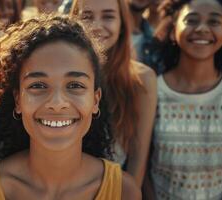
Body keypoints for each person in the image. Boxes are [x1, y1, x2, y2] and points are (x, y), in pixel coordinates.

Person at [0, 14, 141, 200]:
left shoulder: (123, 191)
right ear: (18, 100)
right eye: (38, 85)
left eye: (75, 85)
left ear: (95, 101)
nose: (57, 103)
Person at [144, 0, 222, 199]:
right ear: (173, 31)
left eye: (214, 22)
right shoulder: (152, 91)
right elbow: (140, 167)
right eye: (191, 20)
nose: (202, 28)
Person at [70, 0, 157, 187]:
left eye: (108, 16)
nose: (96, 26)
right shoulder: (59, 75)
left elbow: (138, 159)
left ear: (122, 24)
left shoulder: (142, 80)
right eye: (87, 17)